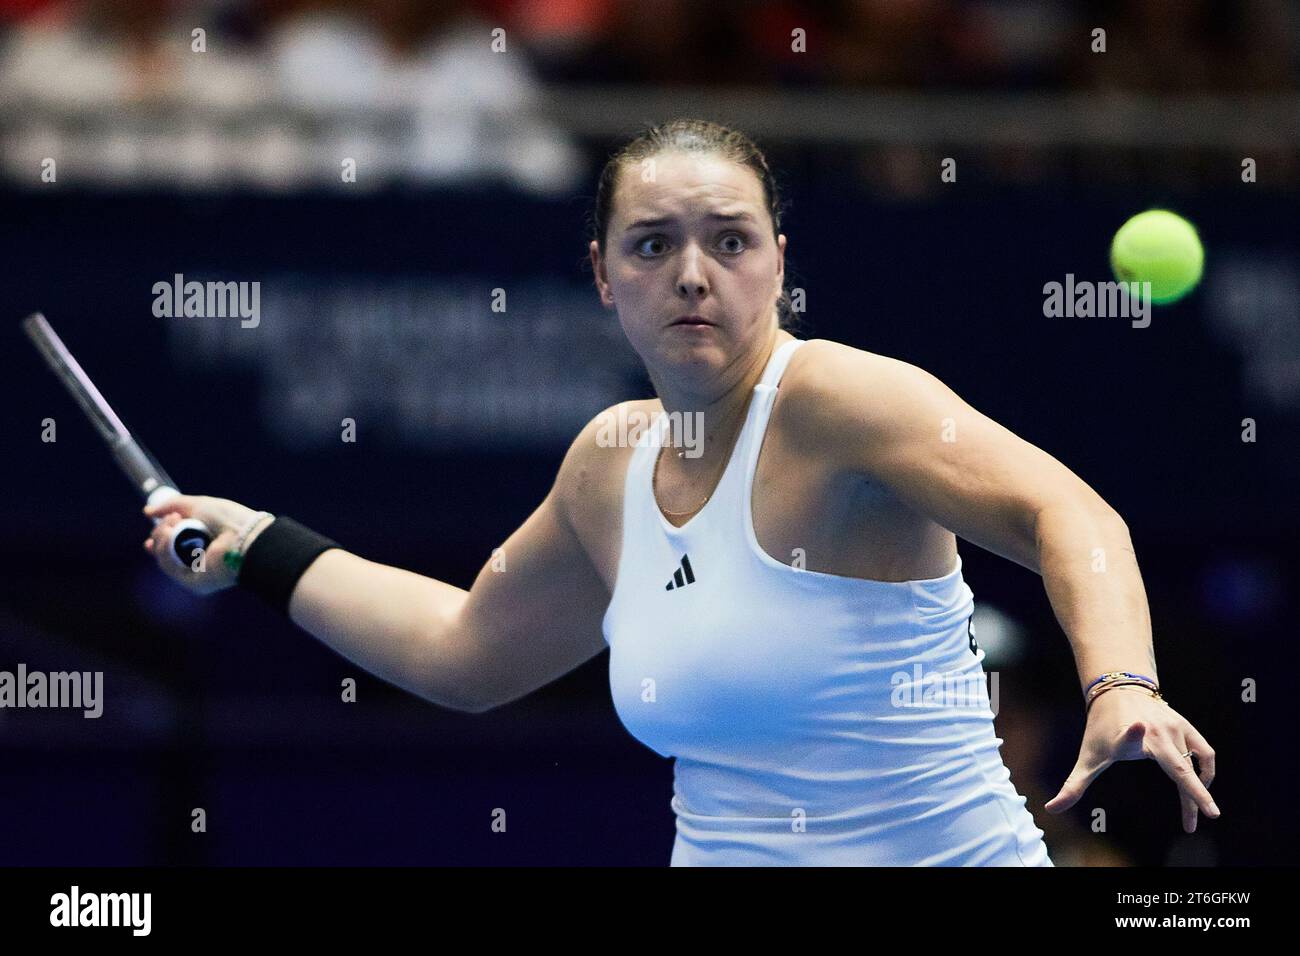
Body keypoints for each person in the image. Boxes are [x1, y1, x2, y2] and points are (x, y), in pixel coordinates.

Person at [144, 118, 1218, 866]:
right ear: (605, 274)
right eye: (653, 245)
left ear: (778, 262)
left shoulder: (842, 399)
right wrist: (258, 544)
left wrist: (1120, 679)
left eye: (729, 240)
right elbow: (462, 650)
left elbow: (1067, 512)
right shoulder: (609, 462)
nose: (694, 274)